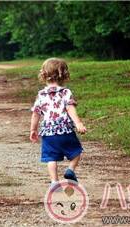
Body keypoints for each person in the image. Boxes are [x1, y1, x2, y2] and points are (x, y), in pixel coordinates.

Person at [30, 58, 87, 187]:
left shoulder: (41, 94)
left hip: (48, 132)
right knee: (76, 151)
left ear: (44, 74)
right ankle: (70, 170)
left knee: (51, 158)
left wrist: (33, 130)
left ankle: (54, 182)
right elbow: (70, 108)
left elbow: (36, 113)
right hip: (65, 130)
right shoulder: (65, 92)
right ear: (64, 74)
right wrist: (78, 123)